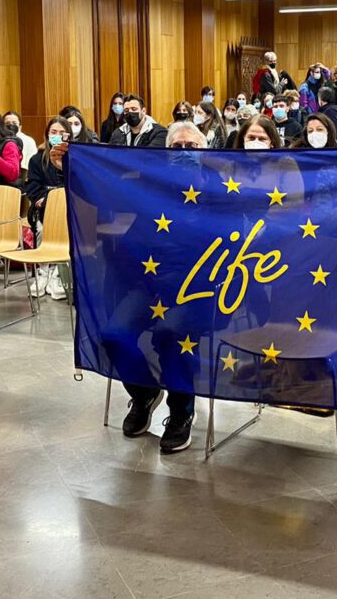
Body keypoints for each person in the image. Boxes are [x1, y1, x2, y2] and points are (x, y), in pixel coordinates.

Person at [120, 120, 208, 454]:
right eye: (177, 148)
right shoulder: (152, 192)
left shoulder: (220, 193)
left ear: (204, 151)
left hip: (200, 292)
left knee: (172, 334)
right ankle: (142, 394)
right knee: (115, 334)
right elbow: (132, 239)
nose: (184, 153)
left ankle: (180, 412)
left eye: (191, 147)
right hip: (151, 288)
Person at [25, 117, 71, 300]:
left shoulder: (73, 158)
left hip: (69, 211)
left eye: (61, 133)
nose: (57, 136)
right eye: (53, 132)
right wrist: (45, 197)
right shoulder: (37, 160)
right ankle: (44, 271)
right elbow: (33, 186)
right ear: (46, 135)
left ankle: (59, 272)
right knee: (43, 230)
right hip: (45, 210)